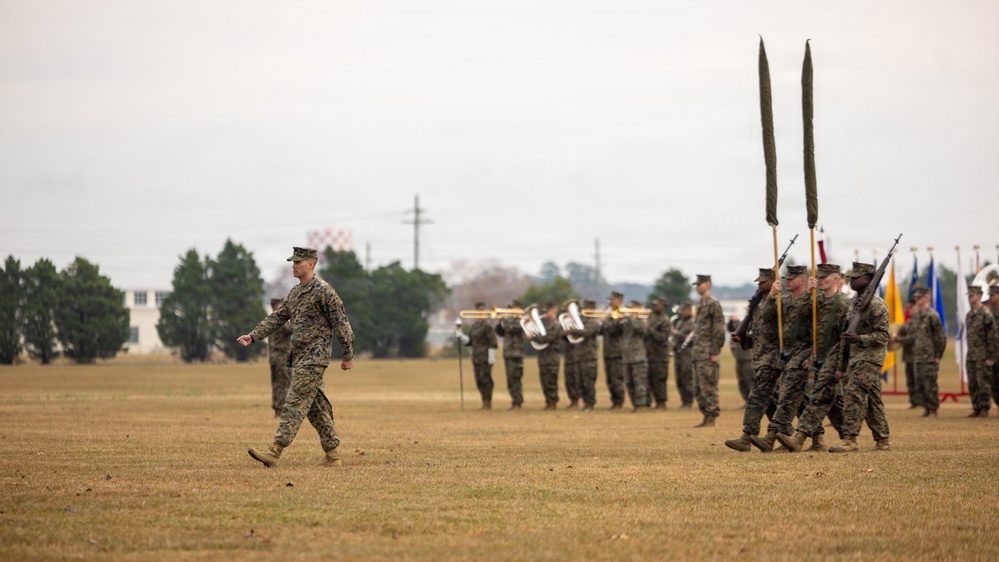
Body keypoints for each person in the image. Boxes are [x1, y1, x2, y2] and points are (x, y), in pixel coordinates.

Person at [237, 247, 354, 468]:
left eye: (298, 262)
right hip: (300, 356)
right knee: (315, 406)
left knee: (294, 401)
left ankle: (275, 450)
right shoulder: (295, 293)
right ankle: (333, 454)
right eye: (293, 262)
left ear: (311, 264)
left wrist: (347, 354)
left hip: (315, 356)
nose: (294, 266)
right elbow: (278, 317)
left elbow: (341, 323)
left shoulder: (324, 291)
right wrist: (253, 336)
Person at [776, 264, 852, 452]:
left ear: (836, 279)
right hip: (818, 356)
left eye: (825, 277)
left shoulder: (842, 303)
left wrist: (842, 364)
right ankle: (849, 437)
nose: (820, 279)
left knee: (818, 397)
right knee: (832, 402)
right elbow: (799, 313)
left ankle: (799, 438)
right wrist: (809, 293)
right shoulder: (816, 301)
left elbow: (845, 336)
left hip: (834, 354)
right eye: (819, 276)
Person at [827, 262, 891, 453]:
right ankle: (883, 440)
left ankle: (850, 439)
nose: (851, 280)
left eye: (856, 277)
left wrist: (860, 338)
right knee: (872, 399)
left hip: (870, 357)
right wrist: (841, 365)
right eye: (850, 277)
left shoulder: (878, 306)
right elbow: (845, 337)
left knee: (854, 393)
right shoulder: (854, 304)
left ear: (868, 280)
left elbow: (883, 336)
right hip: (855, 358)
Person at [752, 265, 814, 451]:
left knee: (788, 396)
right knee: (800, 399)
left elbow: (812, 323)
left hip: (804, 351)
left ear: (802, 281)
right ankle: (817, 440)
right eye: (786, 278)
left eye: (791, 279)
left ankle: (771, 438)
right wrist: (771, 296)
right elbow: (765, 316)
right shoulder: (784, 300)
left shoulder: (813, 300)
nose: (787, 281)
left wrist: (810, 294)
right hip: (786, 353)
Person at [725, 268, 781, 451]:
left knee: (757, 398)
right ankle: (791, 435)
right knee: (773, 401)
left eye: (763, 281)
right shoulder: (758, 305)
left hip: (773, 358)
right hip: (760, 358)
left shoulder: (778, 303)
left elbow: (780, 332)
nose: (759, 284)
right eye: (758, 282)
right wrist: (743, 338)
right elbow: (761, 333)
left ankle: (747, 437)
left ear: (773, 282)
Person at [893, 287, 946, 417]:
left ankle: (933, 409)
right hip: (917, 356)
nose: (916, 299)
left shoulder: (932, 316)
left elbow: (941, 337)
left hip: (929, 356)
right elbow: (911, 335)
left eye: (918, 297)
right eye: (915, 297)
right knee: (920, 384)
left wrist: (938, 355)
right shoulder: (916, 318)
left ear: (926, 298)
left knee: (930, 384)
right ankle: (926, 408)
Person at [691, 274, 725, 428]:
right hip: (697, 353)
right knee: (698, 388)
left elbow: (719, 329)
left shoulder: (713, 304)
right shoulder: (699, 305)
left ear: (708, 285)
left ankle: (711, 417)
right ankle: (705, 415)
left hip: (707, 353)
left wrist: (715, 351)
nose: (697, 287)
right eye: (696, 285)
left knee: (709, 386)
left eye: (700, 284)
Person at [964, 285, 999, 417]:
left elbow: (992, 337)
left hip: (983, 355)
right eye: (968, 295)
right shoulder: (969, 315)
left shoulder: (986, 314)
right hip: (971, 354)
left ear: (979, 296)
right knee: (973, 382)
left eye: (971, 295)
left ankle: (984, 408)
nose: (969, 297)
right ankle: (976, 407)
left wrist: (991, 356)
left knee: (983, 382)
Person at [461, 302, 498, 410]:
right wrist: (462, 336)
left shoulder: (487, 326)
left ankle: (488, 403)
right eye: (478, 311)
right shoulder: (474, 326)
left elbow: (493, 342)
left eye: (481, 311)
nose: (479, 314)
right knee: (479, 380)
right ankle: (483, 401)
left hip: (485, 357)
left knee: (486, 380)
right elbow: (470, 342)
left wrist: (491, 356)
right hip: (476, 357)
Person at [566, 299, 601, 411]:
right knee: (579, 382)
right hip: (579, 356)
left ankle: (590, 403)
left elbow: (586, 333)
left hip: (589, 357)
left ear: (592, 309)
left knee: (588, 382)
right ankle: (585, 402)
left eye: (586, 308)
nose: (583, 310)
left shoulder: (594, 322)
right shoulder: (583, 322)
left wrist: (572, 330)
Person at [494, 299, 526, 410]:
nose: (510, 310)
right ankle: (514, 401)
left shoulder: (521, 321)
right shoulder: (510, 321)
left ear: (518, 309)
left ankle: (518, 402)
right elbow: (501, 333)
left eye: (512, 308)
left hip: (516, 354)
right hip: (508, 354)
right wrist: (499, 322)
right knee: (510, 380)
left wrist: (506, 319)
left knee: (515, 378)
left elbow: (512, 328)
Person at [532, 303, 563, 410]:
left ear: (554, 311)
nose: (545, 314)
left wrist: (533, 336)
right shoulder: (546, 325)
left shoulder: (556, 325)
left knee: (551, 381)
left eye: (547, 312)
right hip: (543, 357)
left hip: (552, 357)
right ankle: (548, 402)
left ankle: (553, 403)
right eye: (544, 312)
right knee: (544, 381)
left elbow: (547, 339)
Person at [266, 297, 293, 418]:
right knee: (284, 384)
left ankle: (277, 410)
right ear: (277, 306)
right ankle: (280, 411)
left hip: (273, 358)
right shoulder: (280, 320)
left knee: (276, 385)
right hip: (282, 358)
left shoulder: (270, 319)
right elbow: (292, 330)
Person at [621, 299, 651, 412]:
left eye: (631, 308)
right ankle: (635, 405)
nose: (628, 310)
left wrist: (631, 318)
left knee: (639, 383)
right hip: (627, 357)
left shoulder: (642, 319)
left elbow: (641, 329)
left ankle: (641, 405)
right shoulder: (626, 322)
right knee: (629, 383)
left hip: (638, 357)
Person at [600, 291, 626, 409]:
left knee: (617, 379)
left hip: (616, 352)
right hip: (608, 352)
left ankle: (619, 401)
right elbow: (603, 331)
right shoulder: (612, 314)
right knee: (610, 379)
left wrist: (603, 320)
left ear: (619, 301)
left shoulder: (620, 314)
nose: (610, 302)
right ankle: (614, 401)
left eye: (612, 300)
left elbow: (613, 329)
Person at [645, 297, 672, 409]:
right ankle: (648, 401)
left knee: (659, 380)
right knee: (648, 379)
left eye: (657, 305)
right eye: (654, 305)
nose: (654, 307)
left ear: (663, 307)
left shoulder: (665, 320)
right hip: (649, 354)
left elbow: (663, 337)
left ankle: (661, 402)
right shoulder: (650, 318)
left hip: (660, 356)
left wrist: (650, 329)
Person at [726, 314, 753, 406]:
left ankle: (752, 402)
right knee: (741, 381)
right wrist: (730, 322)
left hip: (747, 359)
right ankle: (746, 400)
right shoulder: (734, 333)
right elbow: (731, 329)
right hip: (739, 358)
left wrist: (735, 320)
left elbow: (740, 327)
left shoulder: (746, 326)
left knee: (749, 380)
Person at [673, 302, 696, 408]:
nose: (681, 312)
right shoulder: (680, 322)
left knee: (687, 376)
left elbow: (692, 339)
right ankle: (683, 400)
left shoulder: (692, 323)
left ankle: (688, 400)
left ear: (689, 310)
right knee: (679, 378)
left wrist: (678, 334)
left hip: (687, 353)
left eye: (683, 310)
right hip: (678, 353)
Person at [900, 297, 921, 410]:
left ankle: (920, 401)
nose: (908, 310)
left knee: (918, 379)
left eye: (910, 308)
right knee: (910, 379)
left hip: (918, 355)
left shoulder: (919, 321)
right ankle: (913, 401)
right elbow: (901, 332)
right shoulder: (908, 322)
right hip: (908, 355)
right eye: (907, 308)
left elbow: (913, 338)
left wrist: (899, 339)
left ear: (916, 307)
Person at [987, 286, 999, 409]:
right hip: (993, 354)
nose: (990, 298)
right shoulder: (989, 315)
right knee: (994, 383)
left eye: (992, 295)